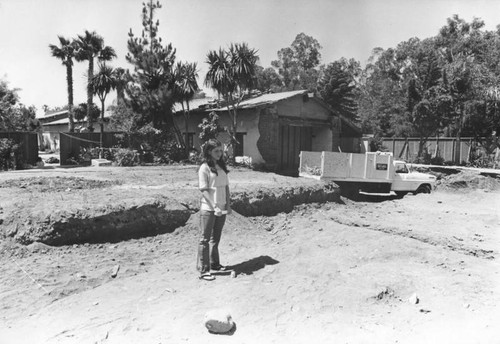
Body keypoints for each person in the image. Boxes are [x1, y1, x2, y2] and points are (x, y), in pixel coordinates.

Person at [197, 139, 232, 281]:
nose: (219, 153)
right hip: (209, 208)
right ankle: (204, 270)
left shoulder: (222, 167)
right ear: (209, 152)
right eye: (216, 151)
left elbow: (226, 187)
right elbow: (204, 190)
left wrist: (228, 205)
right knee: (204, 239)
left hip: (222, 208)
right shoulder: (204, 168)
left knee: (215, 239)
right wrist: (214, 206)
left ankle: (215, 264)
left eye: (220, 150)